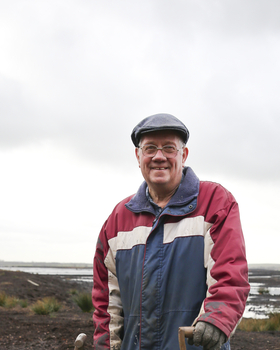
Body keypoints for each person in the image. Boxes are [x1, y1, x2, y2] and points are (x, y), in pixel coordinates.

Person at [92, 113, 250, 350]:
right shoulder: (117, 220)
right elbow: (107, 303)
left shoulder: (215, 203)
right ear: (138, 156)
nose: (159, 157)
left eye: (169, 148)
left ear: (183, 155)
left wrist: (217, 320)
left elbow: (230, 274)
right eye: (150, 148)